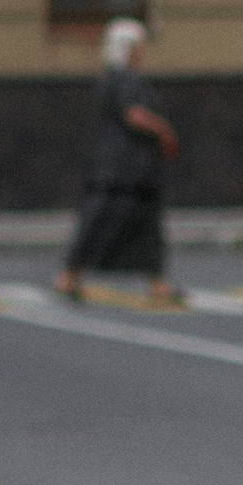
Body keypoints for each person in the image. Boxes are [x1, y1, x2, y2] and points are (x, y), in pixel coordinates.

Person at [55, 17, 182, 305]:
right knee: (103, 220)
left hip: (135, 170)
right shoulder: (121, 78)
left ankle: (157, 282)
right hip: (122, 169)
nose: (142, 52)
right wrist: (164, 130)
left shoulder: (120, 77)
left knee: (146, 225)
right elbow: (134, 115)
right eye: (137, 47)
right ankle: (69, 276)